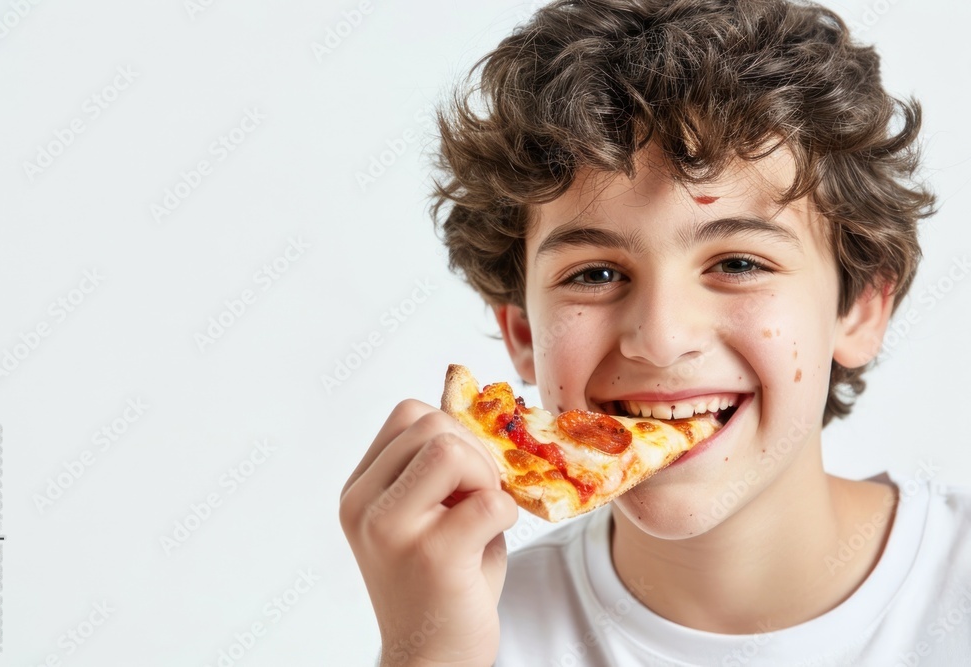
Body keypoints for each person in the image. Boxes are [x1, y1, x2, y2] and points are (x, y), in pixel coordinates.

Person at [340, 0, 971, 664]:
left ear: (862, 307)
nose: (662, 337)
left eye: (737, 263)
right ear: (523, 331)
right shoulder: (466, 626)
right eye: (594, 273)